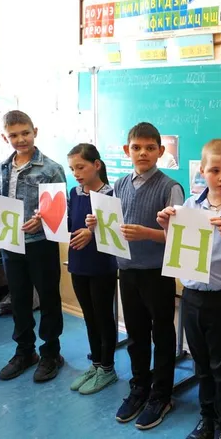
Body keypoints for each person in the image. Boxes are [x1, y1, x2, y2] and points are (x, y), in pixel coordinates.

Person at [157, 139, 221, 439]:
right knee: (201, 365)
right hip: (193, 297)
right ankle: (207, 419)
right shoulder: (190, 207)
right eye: (215, 170)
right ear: (202, 171)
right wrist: (167, 227)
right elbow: (180, 249)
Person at [87, 122, 185, 430]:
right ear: (127, 150)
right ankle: (139, 387)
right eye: (137, 147)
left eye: (150, 148)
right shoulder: (118, 185)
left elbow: (180, 237)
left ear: (160, 151)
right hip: (127, 271)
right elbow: (113, 226)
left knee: (163, 335)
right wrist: (96, 223)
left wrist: (147, 233)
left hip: (157, 273)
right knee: (136, 335)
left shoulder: (170, 187)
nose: (143, 153)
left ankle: (162, 395)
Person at [0, 110, 67, 382]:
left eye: (25, 133)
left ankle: (51, 353)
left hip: (40, 244)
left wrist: (42, 221)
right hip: (10, 243)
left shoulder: (51, 168)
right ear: (5, 137)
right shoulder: (1, 168)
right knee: (19, 299)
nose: (21, 139)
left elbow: (60, 210)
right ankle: (25, 352)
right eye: (14, 135)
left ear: (35, 132)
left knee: (48, 299)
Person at [65, 143, 119, 395]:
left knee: (103, 317)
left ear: (96, 165)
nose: (76, 173)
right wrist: (47, 218)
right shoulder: (74, 193)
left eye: (81, 167)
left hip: (101, 265)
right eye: (72, 168)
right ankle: (96, 363)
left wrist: (93, 232)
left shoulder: (111, 195)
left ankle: (107, 368)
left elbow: (115, 232)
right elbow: (69, 224)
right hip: (78, 263)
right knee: (88, 316)